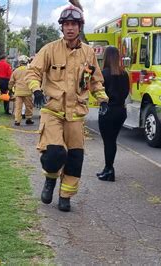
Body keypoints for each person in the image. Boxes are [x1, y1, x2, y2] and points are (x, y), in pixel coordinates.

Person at [25, 5, 109, 212]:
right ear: (62, 28)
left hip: (76, 114)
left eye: (74, 24)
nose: (70, 28)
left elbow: (96, 81)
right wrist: (36, 90)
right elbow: (33, 72)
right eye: (66, 24)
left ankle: (65, 196)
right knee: (54, 153)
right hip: (52, 110)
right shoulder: (50, 49)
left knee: (75, 157)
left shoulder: (89, 54)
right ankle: (50, 180)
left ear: (80, 27)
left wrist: (103, 99)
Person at [97, 46, 130, 182]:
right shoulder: (124, 74)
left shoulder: (104, 73)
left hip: (108, 110)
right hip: (120, 110)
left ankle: (109, 170)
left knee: (108, 142)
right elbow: (127, 91)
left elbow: (98, 91)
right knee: (112, 141)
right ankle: (108, 168)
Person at [9, 55, 34, 126]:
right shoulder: (29, 70)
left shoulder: (16, 71)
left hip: (18, 92)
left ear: (19, 62)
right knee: (29, 106)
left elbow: (11, 81)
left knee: (18, 107)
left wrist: (10, 89)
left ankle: (17, 120)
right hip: (27, 91)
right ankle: (29, 118)